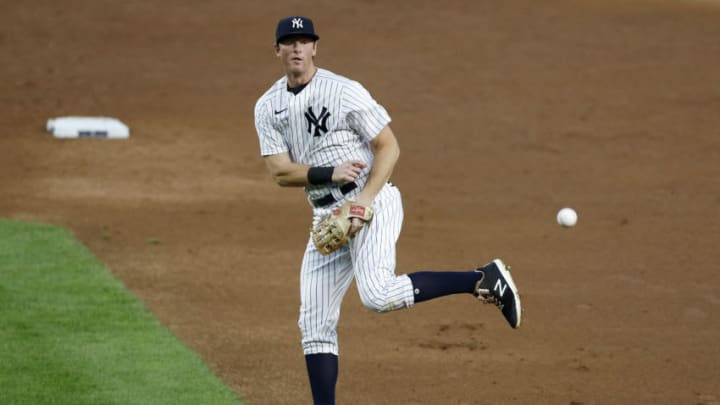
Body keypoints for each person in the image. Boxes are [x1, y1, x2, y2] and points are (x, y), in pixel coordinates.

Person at [254, 16, 522, 405]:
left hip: (372, 200)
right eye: (289, 42)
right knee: (313, 324)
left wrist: (363, 202)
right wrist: (330, 173)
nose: (297, 48)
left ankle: (482, 279)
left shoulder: (344, 92)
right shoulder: (268, 106)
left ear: (315, 47)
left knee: (377, 295)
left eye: (304, 41)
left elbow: (388, 146)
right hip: (327, 218)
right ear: (277, 50)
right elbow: (279, 172)